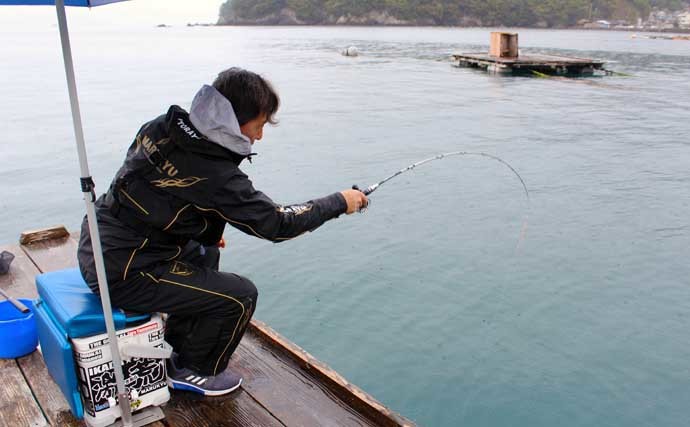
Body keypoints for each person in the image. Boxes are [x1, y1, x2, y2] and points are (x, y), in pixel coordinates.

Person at [77, 67, 368, 396]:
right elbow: (277, 223)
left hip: (99, 243)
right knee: (239, 297)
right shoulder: (215, 172)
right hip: (123, 272)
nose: (259, 136)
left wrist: (201, 231)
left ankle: (178, 345)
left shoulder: (164, 126)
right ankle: (195, 371)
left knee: (207, 250)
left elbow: (150, 190)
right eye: (258, 126)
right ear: (235, 121)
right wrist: (339, 202)